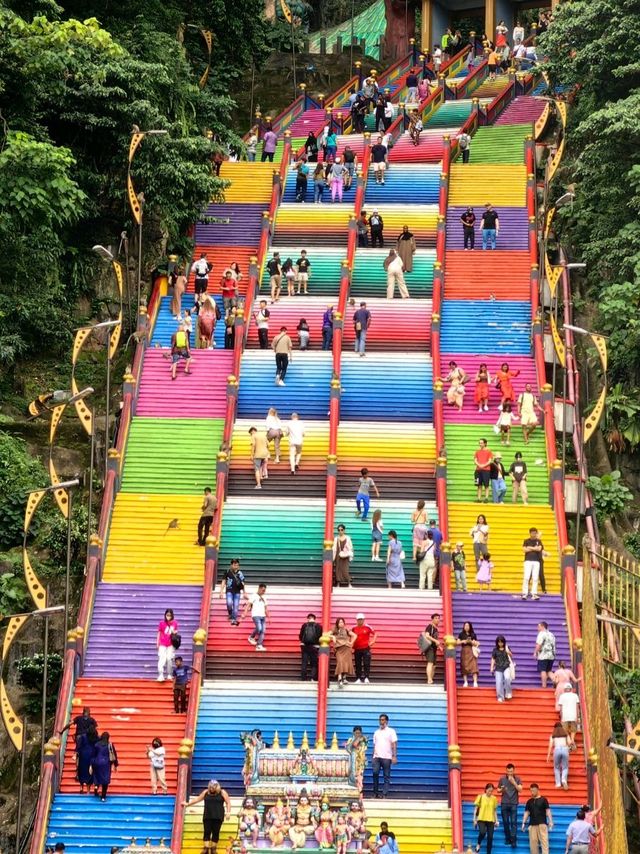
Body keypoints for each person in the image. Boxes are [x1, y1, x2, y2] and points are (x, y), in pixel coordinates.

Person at [183, 780, 232, 852]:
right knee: (207, 831)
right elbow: (197, 799)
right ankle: (206, 848)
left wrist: (228, 812)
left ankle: (213, 848)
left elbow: (228, 802)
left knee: (216, 832)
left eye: (213, 787)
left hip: (218, 816)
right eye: (210, 787)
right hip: (207, 815)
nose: (212, 788)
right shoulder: (206, 792)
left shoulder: (222, 792)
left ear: (217, 786)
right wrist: (187, 804)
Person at [522, 783, 553, 853]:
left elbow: (548, 811)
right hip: (532, 825)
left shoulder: (544, 799)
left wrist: (551, 821)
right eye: (531, 791)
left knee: (544, 843)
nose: (532, 792)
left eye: (534, 791)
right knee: (533, 845)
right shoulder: (529, 801)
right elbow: (527, 812)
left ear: (538, 790)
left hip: (542, 824)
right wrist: (523, 822)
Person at [497, 763, 523, 848]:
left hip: (513, 803)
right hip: (504, 802)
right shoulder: (502, 779)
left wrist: (514, 782)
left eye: (511, 771)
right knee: (505, 822)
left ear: (514, 771)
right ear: (506, 771)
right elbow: (498, 790)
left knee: (513, 822)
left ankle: (513, 840)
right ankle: (507, 838)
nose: (510, 773)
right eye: (508, 771)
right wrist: (502, 789)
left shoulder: (518, 779)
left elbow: (520, 790)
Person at [372, 714, 397, 798]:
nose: (381, 722)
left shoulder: (391, 731)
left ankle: (384, 794)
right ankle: (376, 793)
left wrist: (394, 756)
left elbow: (394, 744)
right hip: (377, 757)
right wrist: (373, 756)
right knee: (375, 773)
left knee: (386, 776)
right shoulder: (376, 732)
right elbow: (374, 745)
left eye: (383, 720)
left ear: (386, 721)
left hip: (387, 757)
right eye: (380, 720)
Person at [219, 557, 247, 625]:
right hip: (229, 590)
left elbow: (243, 583)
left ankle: (233, 619)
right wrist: (221, 591)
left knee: (236, 606)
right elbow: (223, 581)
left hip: (237, 592)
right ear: (231, 565)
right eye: (235, 565)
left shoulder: (240, 573)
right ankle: (230, 614)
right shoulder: (227, 572)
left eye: (237, 565)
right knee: (229, 603)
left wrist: (244, 592)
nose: (236, 566)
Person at [91, 732, 118, 801]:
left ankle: (96, 787)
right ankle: (103, 797)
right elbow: (114, 755)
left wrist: (91, 763)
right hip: (106, 763)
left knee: (97, 776)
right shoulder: (110, 745)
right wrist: (115, 765)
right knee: (105, 779)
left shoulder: (96, 744)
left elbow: (93, 754)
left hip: (97, 762)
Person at [243, 582, 269, 651]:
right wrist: (245, 613)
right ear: (259, 589)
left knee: (263, 631)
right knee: (259, 628)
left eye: (265, 590)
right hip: (256, 615)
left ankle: (259, 645)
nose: (264, 592)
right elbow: (248, 605)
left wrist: (269, 617)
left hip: (263, 616)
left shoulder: (264, 597)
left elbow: (266, 608)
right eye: (263, 590)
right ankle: (251, 637)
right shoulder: (253, 596)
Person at [474, 783, 499, 853]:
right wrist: (474, 819)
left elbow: (494, 811)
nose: (490, 792)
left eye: (491, 791)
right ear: (485, 789)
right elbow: (476, 809)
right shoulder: (480, 797)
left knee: (490, 837)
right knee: (482, 832)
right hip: (481, 819)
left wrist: (496, 820)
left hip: (491, 820)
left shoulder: (494, 798)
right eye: (489, 791)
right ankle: (478, 844)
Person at [331, 616, 356, 687]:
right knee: (340, 662)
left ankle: (344, 678)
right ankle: (339, 679)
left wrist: (351, 643)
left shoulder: (347, 630)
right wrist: (332, 637)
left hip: (347, 649)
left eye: (342, 622)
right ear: (337, 623)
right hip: (339, 649)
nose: (341, 623)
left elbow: (355, 635)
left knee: (346, 663)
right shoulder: (334, 630)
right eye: (339, 622)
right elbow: (327, 634)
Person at [352, 613, 377, 683]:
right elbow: (349, 635)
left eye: (361, 619)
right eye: (358, 620)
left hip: (366, 648)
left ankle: (366, 678)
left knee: (366, 663)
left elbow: (375, 634)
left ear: (364, 620)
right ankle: (358, 678)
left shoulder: (368, 627)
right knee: (358, 664)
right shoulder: (353, 628)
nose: (360, 621)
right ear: (356, 620)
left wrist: (373, 641)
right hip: (357, 649)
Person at [547, 721, 571, 790]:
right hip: (564, 749)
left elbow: (550, 745)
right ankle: (563, 779)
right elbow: (569, 743)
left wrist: (548, 755)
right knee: (565, 767)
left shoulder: (552, 735)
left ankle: (558, 783)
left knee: (556, 767)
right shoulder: (565, 734)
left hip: (557, 750)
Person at [299, 612, 322, 681]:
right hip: (315, 647)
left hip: (305, 646)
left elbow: (300, 636)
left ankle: (303, 679)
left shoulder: (304, 625)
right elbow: (320, 637)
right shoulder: (318, 626)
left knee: (304, 663)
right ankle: (313, 678)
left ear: (308, 619)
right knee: (314, 663)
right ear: (315, 619)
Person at [157, 609, 178, 682]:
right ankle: (161, 674)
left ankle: (169, 674)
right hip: (162, 643)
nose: (168, 617)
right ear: (165, 615)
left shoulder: (175, 623)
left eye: (170, 615)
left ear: (172, 616)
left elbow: (176, 632)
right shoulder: (162, 623)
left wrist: (174, 632)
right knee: (162, 659)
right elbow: (159, 633)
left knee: (169, 659)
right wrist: (157, 643)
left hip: (170, 644)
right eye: (167, 615)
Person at [490, 635, 514, 702]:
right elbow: (493, 659)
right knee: (499, 682)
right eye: (499, 642)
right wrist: (491, 667)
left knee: (507, 678)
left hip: (506, 666)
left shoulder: (507, 647)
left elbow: (511, 655)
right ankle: (500, 697)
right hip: (498, 668)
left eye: (502, 642)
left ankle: (508, 693)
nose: (500, 644)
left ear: (504, 642)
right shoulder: (495, 650)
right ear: (497, 643)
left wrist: (507, 651)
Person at [522, 528, 544, 600]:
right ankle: (524, 593)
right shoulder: (526, 541)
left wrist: (530, 548)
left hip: (536, 561)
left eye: (535, 533)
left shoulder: (539, 541)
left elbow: (539, 549)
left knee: (535, 578)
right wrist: (534, 548)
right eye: (532, 533)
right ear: (530, 533)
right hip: (528, 561)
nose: (534, 534)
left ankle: (534, 593)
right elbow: (524, 550)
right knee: (526, 577)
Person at [76, 723, 98, 792]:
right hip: (92, 756)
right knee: (90, 772)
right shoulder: (96, 737)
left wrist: (77, 753)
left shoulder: (83, 736)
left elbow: (79, 746)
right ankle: (88, 789)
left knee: (81, 770)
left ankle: (81, 787)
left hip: (83, 755)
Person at [534, 621, 557, 687]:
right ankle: (556, 680)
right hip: (551, 655)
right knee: (549, 670)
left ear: (542, 626)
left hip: (543, 655)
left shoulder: (541, 634)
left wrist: (535, 652)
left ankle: (544, 685)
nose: (537, 628)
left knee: (543, 670)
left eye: (538, 626)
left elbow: (539, 644)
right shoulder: (551, 634)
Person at [457, 621, 479, 688]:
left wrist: (471, 642)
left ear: (470, 627)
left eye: (468, 626)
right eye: (465, 625)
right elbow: (457, 642)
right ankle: (465, 682)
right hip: (464, 650)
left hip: (471, 650)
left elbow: (477, 643)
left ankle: (475, 682)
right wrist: (463, 641)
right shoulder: (461, 634)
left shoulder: (473, 634)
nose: (466, 627)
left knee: (474, 665)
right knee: (464, 665)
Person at [558, 683, 580, 749]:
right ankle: (572, 740)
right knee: (573, 729)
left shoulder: (562, 696)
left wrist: (561, 716)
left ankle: (569, 740)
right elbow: (577, 707)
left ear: (564, 689)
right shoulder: (575, 695)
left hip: (565, 716)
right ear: (571, 689)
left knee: (564, 729)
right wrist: (577, 716)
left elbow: (561, 708)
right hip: (573, 715)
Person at [421, 613, 440, 684]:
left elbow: (435, 639)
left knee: (434, 666)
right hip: (429, 648)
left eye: (438, 618)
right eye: (436, 618)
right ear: (432, 619)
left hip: (434, 648)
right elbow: (427, 635)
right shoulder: (430, 626)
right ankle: (429, 679)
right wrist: (436, 641)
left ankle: (431, 679)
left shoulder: (436, 629)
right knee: (430, 663)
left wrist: (439, 647)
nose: (438, 619)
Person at [249, 425, 270, 490]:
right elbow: (268, 445)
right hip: (265, 454)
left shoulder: (253, 436)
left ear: (252, 431)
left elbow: (253, 446)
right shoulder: (263, 435)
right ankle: (261, 476)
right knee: (261, 465)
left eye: (250, 433)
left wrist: (251, 455)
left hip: (257, 454)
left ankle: (258, 485)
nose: (250, 435)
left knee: (257, 469)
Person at [474, 438, 494, 502]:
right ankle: (479, 498)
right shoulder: (477, 451)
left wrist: (483, 465)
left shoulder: (489, 451)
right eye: (479, 443)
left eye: (482, 443)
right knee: (478, 485)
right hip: (478, 470)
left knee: (486, 485)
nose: (480, 444)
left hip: (486, 470)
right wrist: (479, 465)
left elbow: (490, 461)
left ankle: (486, 498)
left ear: (485, 443)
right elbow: (475, 460)